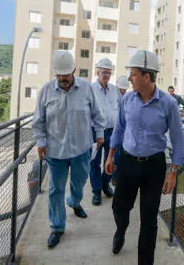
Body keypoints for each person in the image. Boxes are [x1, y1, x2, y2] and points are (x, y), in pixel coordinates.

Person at [105, 50, 184, 264]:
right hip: (128, 163)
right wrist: (111, 155)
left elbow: (178, 139)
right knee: (119, 207)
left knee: (149, 221)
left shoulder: (168, 104)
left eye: (133, 74)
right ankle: (120, 230)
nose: (129, 79)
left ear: (146, 77)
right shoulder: (127, 99)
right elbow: (119, 128)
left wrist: (174, 172)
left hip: (154, 167)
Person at [33, 51, 106, 248]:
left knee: (80, 183)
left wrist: (99, 133)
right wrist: (40, 142)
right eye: (59, 75)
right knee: (56, 189)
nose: (63, 79)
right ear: (54, 73)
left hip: (81, 148)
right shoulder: (46, 91)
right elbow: (38, 121)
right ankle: (57, 226)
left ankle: (74, 201)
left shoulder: (86, 89)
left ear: (73, 70)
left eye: (66, 74)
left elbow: (97, 114)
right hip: (55, 151)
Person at [89, 58, 120, 206]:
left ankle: (105, 184)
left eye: (108, 72)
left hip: (113, 131)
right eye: (103, 72)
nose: (106, 75)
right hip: (94, 132)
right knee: (94, 162)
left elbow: (122, 108)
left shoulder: (114, 90)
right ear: (97, 72)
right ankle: (96, 191)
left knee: (113, 160)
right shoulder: (90, 89)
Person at [111, 75, 130, 187]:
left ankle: (119, 177)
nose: (122, 91)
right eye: (121, 89)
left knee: (121, 156)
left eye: (124, 89)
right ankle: (114, 177)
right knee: (114, 156)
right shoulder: (112, 95)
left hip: (124, 132)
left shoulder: (127, 97)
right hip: (113, 130)